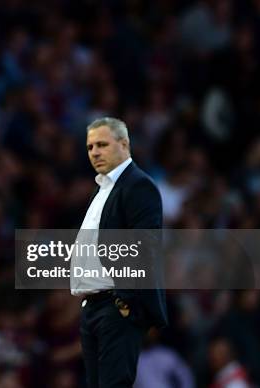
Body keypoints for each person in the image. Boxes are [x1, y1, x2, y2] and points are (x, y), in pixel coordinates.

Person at [70, 117, 168, 388]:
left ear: (124, 144)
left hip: (116, 304)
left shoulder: (138, 185)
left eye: (102, 144)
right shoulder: (102, 188)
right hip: (93, 306)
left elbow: (144, 246)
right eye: (90, 147)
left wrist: (126, 302)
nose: (95, 152)